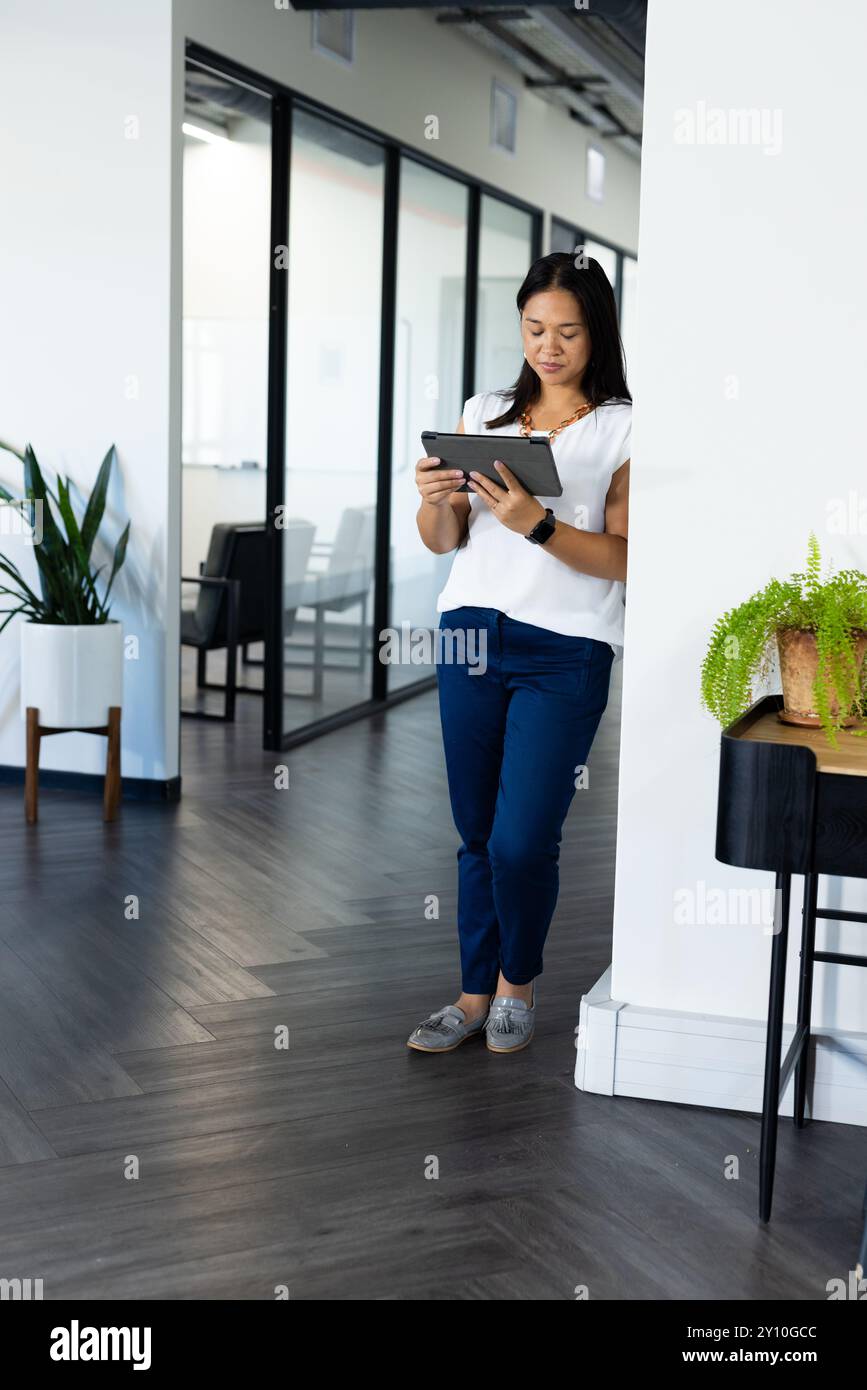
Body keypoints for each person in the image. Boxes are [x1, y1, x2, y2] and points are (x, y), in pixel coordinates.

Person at [407, 251, 631, 1055]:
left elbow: (626, 558)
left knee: (520, 838)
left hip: (564, 650)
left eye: (567, 331)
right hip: (468, 630)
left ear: (595, 334)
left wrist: (536, 521)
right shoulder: (485, 410)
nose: (548, 345)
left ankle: (517, 986)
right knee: (475, 831)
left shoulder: (622, 428)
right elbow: (444, 542)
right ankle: (471, 995)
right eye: (535, 328)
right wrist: (434, 501)